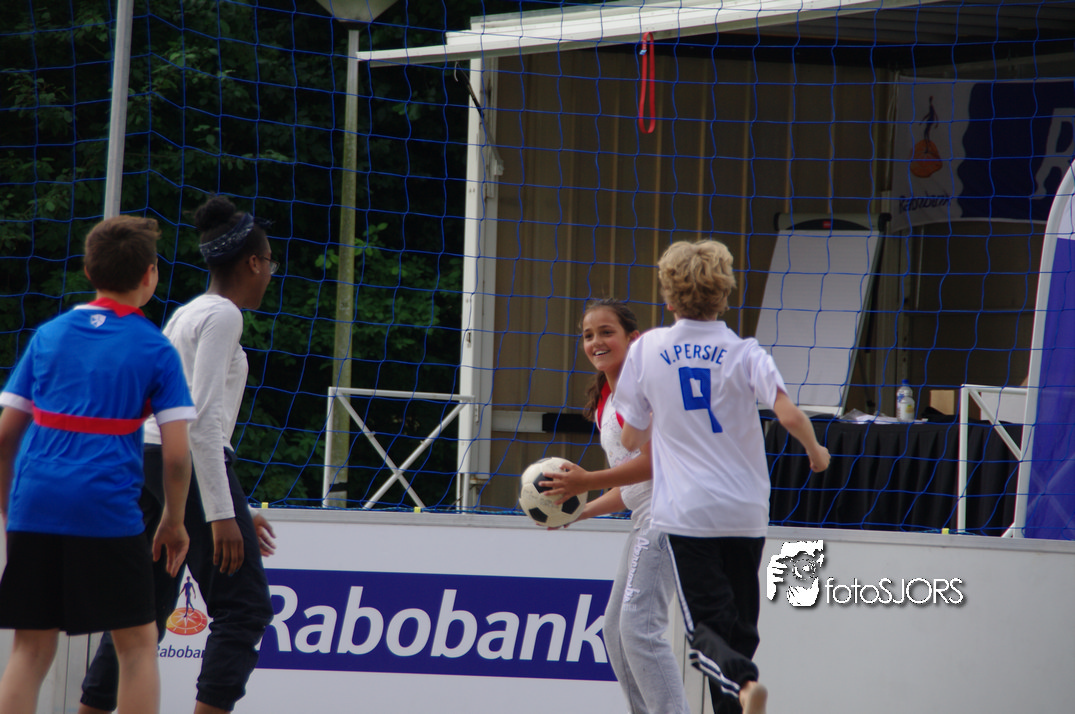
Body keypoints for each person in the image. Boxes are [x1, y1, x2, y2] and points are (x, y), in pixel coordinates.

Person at [613, 240, 830, 714]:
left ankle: (746, 686)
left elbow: (631, 436)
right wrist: (816, 453)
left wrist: (652, 423)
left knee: (706, 634)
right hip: (746, 510)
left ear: (668, 297)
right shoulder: (745, 352)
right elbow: (789, 415)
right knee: (740, 630)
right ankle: (742, 688)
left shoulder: (647, 349)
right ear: (725, 293)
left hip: (688, 514)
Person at [79, 196, 277, 714]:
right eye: (269, 262)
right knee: (244, 609)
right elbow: (201, 420)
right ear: (253, 263)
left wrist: (232, 504)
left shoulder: (188, 312)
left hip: (150, 459)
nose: (270, 273)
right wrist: (222, 513)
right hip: (182, 460)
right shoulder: (224, 315)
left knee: (141, 613)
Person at [0, 215, 194, 714]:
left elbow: (4, 436)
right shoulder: (156, 347)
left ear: (88, 271)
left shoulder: (49, 335)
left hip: (35, 503)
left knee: (30, 649)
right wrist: (174, 520)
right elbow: (176, 455)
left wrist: (9, 509)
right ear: (150, 275)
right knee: (137, 644)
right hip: (105, 507)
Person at [542, 298, 691, 714]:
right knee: (615, 630)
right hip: (648, 516)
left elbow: (658, 462)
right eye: (588, 335)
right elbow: (633, 484)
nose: (596, 342)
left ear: (633, 339)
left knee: (639, 628)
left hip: (671, 514)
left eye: (607, 332)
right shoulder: (605, 400)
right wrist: (580, 510)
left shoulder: (643, 391)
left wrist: (586, 481)